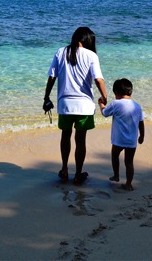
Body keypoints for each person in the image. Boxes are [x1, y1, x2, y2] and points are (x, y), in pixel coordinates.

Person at [44, 27, 108, 186]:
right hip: (85, 106)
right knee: (81, 140)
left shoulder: (60, 52)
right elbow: (98, 80)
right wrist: (104, 97)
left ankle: (64, 170)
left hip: (65, 104)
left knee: (65, 136)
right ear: (87, 40)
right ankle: (78, 174)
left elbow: (52, 77)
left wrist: (46, 97)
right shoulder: (91, 55)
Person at [99, 78, 145, 191]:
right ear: (130, 92)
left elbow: (105, 113)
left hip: (119, 140)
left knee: (115, 155)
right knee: (129, 162)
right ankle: (128, 184)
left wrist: (101, 104)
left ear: (117, 93)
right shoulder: (137, 106)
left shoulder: (116, 104)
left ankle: (116, 175)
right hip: (132, 140)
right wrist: (142, 136)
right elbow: (141, 122)